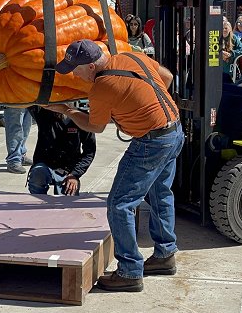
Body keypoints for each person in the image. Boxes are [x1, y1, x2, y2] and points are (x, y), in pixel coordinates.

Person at [55, 39, 184, 292]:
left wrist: (68, 111)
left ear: (91, 66)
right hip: (174, 130)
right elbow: (166, 77)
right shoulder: (132, 57)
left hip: (150, 142)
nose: (74, 74)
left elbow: (95, 126)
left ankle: (130, 271)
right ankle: (165, 255)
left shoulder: (101, 86)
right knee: (160, 194)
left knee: (120, 204)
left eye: (76, 69)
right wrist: (139, 106)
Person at [25, 105, 96, 195]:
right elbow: (28, 99)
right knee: (38, 173)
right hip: (45, 165)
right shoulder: (43, 112)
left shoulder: (82, 117)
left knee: (66, 200)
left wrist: (75, 174)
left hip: (68, 170)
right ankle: (36, 198)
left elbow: (89, 151)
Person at [3, 106, 33, 174]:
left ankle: (20, 155)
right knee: (15, 127)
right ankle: (14, 160)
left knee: (26, 125)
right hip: (14, 98)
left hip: (28, 97)